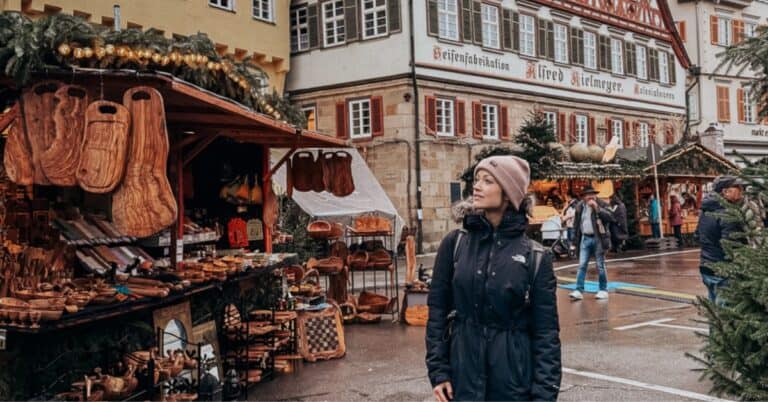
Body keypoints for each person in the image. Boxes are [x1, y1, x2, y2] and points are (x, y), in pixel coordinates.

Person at [426, 155, 561, 402]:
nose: (476, 186)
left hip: (513, 384)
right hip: (462, 379)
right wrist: (439, 371)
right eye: (477, 179)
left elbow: (546, 334)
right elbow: (437, 311)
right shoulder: (455, 244)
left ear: (509, 194)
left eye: (488, 181)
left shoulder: (536, 257)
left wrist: (544, 394)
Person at [696, 176, 745, 303]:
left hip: (706, 266)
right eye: (737, 187)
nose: (741, 190)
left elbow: (697, 235)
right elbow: (731, 246)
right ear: (725, 192)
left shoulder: (705, 210)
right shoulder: (728, 214)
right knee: (726, 314)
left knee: (715, 314)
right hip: (723, 271)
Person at [569, 185, 615, 301]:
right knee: (582, 265)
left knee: (600, 265)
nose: (591, 196)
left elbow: (610, 217)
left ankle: (603, 290)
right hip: (585, 238)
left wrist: (597, 208)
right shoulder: (580, 207)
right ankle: (579, 290)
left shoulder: (602, 204)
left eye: (593, 194)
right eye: (588, 194)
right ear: (583, 197)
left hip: (598, 238)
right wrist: (574, 241)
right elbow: (576, 225)